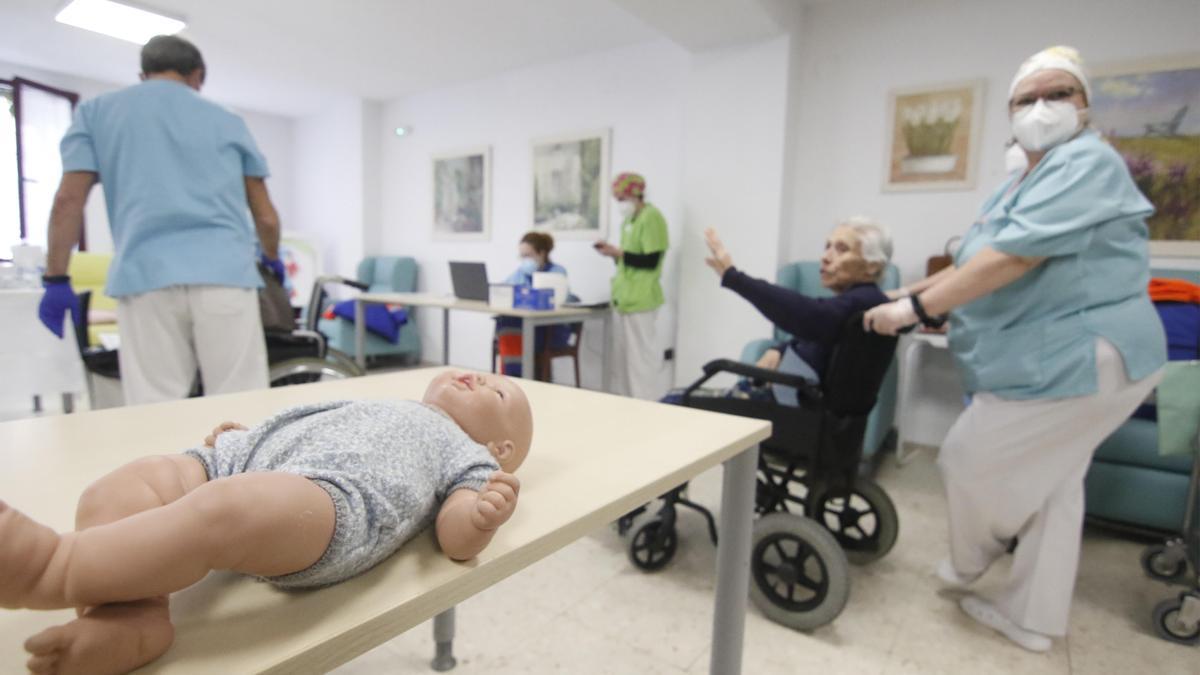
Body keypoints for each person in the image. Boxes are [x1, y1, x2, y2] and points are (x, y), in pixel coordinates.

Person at [864, 46, 1166, 653]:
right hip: (1067, 355)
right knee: (1055, 487)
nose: (1041, 109)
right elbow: (978, 258)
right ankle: (1031, 619)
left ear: (1085, 107)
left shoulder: (1085, 162)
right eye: (1027, 99)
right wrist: (906, 287)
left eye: (1059, 95)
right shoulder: (1024, 180)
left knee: (965, 459)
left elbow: (1016, 257)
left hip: (1085, 355)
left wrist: (913, 310)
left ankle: (970, 560)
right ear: (1010, 114)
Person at [0, 370, 533, 675]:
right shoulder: (383, 402)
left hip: (328, 505)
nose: (478, 376)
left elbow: (455, 539)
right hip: (244, 458)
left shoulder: (470, 454)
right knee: (118, 489)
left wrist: (481, 515)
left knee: (225, 511)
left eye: (497, 390)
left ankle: (53, 567)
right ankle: (129, 617)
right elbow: (315, 423)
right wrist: (258, 433)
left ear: (500, 446)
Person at [37, 34, 285, 405]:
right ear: (197, 75)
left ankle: (170, 465)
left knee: (156, 406)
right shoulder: (228, 120)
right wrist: (271, 256)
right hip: (225, 276)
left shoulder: (97, 113)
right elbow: (264, 216)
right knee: (240, 402)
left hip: (145, 278)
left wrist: (56, 276)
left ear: (143, 74)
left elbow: (68, 200)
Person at [701, 219, 891, 403]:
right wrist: (780, 350)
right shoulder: (854, 301)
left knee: (677, 405)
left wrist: (735, 278)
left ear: (872, 265)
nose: (825, 257)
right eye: (827, 247)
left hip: (792, 416)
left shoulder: (866, 301)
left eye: (841, 249)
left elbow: (812, 318)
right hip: (780, 403)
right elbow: (821, 335)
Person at [594, 172, 669, 399]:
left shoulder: (651, 217)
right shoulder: (629, 220)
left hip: (642, 299)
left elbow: (651, 260)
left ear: (635, 194)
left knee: (639, 360)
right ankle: (627, 406)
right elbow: (628, 260)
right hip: (625, 299)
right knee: (623, 360)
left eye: (621, 198)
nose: (620, 204)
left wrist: (620, 253)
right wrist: (614, 254)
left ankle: (646, 405)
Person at [495, 231, 573, 378]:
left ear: (541, 253)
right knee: (505, 320)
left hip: (551, 329)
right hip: (525, 327)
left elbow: (562, 300)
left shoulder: (557, 272)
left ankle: (518, 376)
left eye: (528, 255)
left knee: (509, 324)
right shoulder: (521, 272)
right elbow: (504, 290)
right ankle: (515, 376)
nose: (524, 260)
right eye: (522, 256)